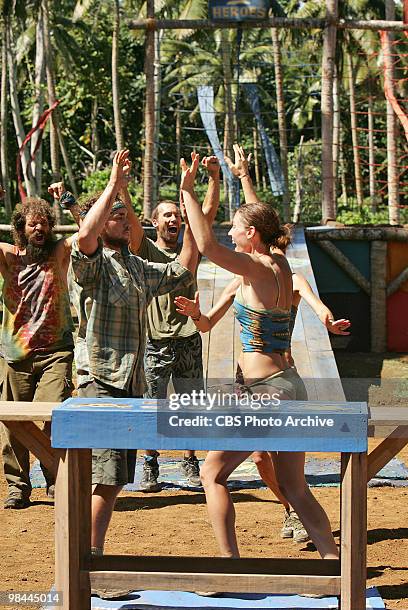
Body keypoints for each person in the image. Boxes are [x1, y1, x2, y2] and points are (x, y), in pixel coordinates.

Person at [178, 152, 339, 560]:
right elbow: (262, 223)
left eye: (236, 227)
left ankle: (231, 564)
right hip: (290, 384)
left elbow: (207, 244)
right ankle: (334, 563)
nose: (231, 232)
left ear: (250, 235)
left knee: (212, 473)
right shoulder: (282, 264)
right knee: (296, 488)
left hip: (265, 391)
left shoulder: (256, 268)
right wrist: (243, 178)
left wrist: (188, 192)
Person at [69, 149, 195, 556]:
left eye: (127, 215)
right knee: (104, 478)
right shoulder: (94, 263)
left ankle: (87, 560)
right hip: (101, 382)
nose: (126, 219)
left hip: (129, 387)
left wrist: (189, 198)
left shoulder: (135, 264)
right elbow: (86, 238)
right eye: (117, 215)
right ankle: (88, 565)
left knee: (115, 477)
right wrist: (112, 186)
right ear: (100, 220)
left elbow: (183, 270)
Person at [127, 155, 220, 492]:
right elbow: (132, 228)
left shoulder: (190, 250)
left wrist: (212, 179)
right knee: (152, 405)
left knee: (190, 404)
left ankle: (189, 459)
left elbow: (205, 216)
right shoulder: (145, 251)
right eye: (167, 215)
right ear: (154, 222)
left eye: (178, 216)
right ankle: (149, 463)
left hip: (188, 338)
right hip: (154, 341)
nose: (174, 220)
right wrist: (122, 187)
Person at [0, 184, 78, 509]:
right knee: (13, 421)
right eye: (32, 223)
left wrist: (70, 203)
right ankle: (18, 486)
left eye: (44, 223)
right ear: (21, 227)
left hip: (55, 354)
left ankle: (54, 478)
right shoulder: (8, 258)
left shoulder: (59, 254)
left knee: (53, 414)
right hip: (15, 356)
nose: (39, 228)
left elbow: (88, 231)